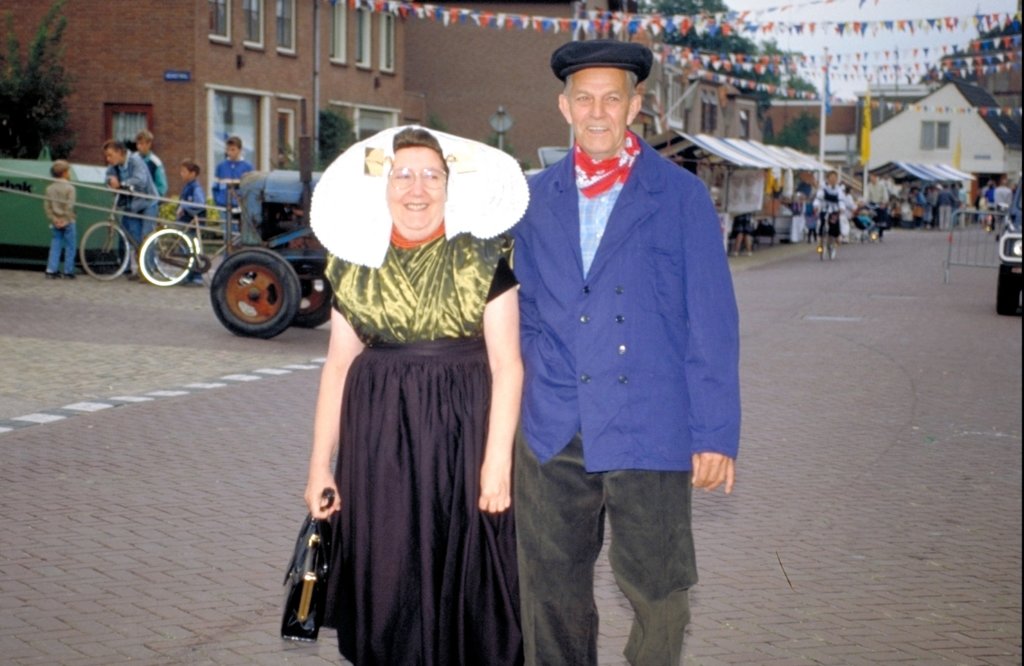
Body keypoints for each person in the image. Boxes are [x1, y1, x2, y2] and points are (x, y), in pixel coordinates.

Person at [511, 40, 740, 666]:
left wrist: (714, 433)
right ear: (564, 107)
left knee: (660, 591)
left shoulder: (681, 197)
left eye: (611, 99)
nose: (597, 112)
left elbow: (712, 322)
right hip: (554, 426)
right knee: (549, 593)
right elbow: (520, 309)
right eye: (584, 99)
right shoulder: (530, 199)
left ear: (636, 105)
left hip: (650, 421)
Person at [304, 126, 529, 665]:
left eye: (431, 175)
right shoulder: (354, 264)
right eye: (403, 174)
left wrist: (497, 463)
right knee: (387, 570)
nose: (417, 188)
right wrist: (318, 468)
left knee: (469, 577)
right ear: (383, 186)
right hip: (380, 440)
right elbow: (338, 366)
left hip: (463, 435)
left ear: (449, 186)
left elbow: (508, 365)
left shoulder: (481, 259)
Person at [103, 139, 159, 276]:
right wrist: (110, 180)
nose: (108, 159)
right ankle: (142, 267)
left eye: (110, 155)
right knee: (134, 237)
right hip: (132, 205)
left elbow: (140, 180)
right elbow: (107, 177)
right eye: (106, 156)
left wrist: (121, 184)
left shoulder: (135, 160)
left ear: (119, 152)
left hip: (147, 201)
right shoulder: (114, 166)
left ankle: (148, 271)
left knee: (147, 236)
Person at [42, 159, 77, 279]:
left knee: (55, 244)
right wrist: (65, 219)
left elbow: (47, 206)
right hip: (69, 221)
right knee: (70, 246)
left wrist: (54, 219)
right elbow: (70, 205)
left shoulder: (49, 188)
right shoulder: (70, 188)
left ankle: (51, 269)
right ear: (65, 173)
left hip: (55, 221)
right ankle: (68, 271)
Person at [176, 159, 208, 285]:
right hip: (187, 222)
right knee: (187, 249)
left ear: (193, 174)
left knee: (193, 249)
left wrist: (184, 206)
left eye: (184, 171)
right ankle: (189, 275)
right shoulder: (188, 186)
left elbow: (200, 205)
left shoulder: (195, 188)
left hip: (193, 224)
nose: (181, 174)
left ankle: (196, 276)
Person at [813, 170, 850, 258]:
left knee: (834, 228)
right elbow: (818, 198)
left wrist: (841, 208)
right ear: (828, 178)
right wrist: (816, 206)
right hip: (825, 209)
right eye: (831, 177)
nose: (833, 179)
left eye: (835, 178)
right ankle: (821, 241)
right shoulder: (823, 188)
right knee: (821, 224)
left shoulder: (839, 189)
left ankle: (833, 241)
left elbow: (841, 200)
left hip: (834, 210)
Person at [212, 135, 254, 211]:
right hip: (223, 207)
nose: (230, 152)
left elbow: (251, 188)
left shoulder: (248, 167)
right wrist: (218, 200)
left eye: (233, 149)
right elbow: (215, 187)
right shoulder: (220, 166)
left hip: (241, 208)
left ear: (240, 150)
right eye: (228, 149)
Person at [135, 130, 168, 198]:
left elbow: (162, 188)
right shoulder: (133, 159)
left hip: (149, 201)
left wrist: (149, 195)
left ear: (149, 144)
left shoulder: (155, 163)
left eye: (141, 144)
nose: (139, 147)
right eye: (137, 144)